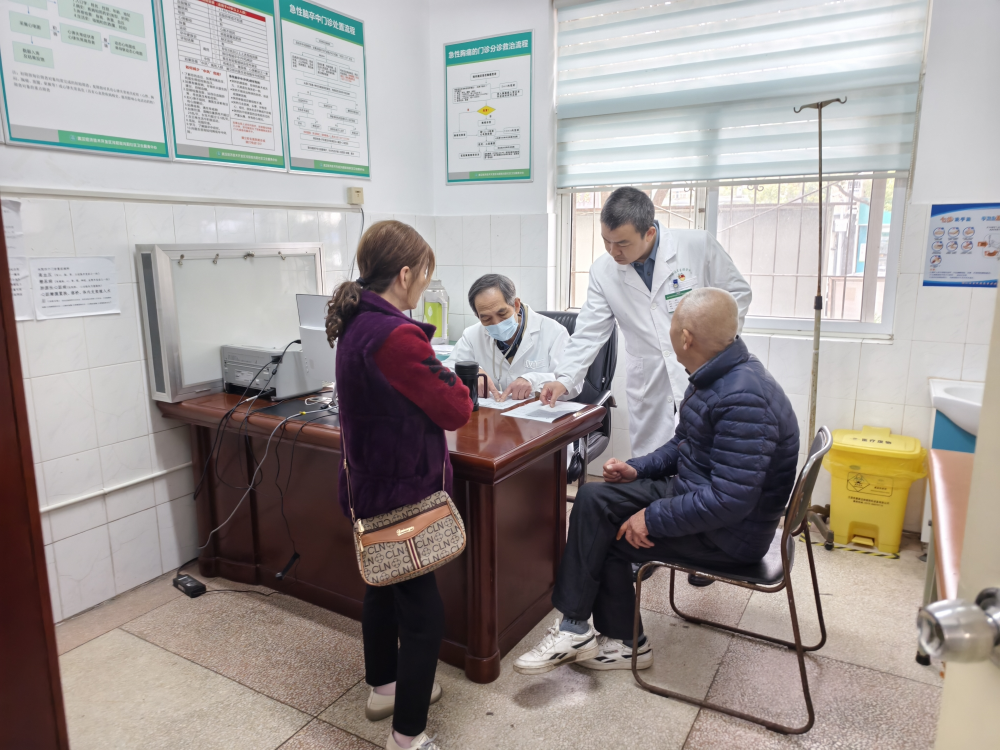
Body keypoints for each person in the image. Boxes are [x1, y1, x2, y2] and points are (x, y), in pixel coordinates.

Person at [514, 288, 799, 675]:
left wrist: (652, 518)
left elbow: (731, 499)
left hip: (732, 535)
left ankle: (624, 644)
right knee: (596, 497)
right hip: (702, 496)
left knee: (610, 531)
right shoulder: (719, 373)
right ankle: (575, 627)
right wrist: (638, 469)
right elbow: (685, 443)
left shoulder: (743, 398)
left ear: (685, 338)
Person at [327, 220, 472, 750]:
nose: (424, 287)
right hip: (403, 496)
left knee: (381, 587)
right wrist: (449, 374)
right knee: (423, 615)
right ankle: (407, 737)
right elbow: (456, 408)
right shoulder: (397, 335)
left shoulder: (355, 323)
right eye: (424, 277)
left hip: (367, 487)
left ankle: (383, 687)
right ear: (406, 273)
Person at [540, 187, 752, 458]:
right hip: (649, 380)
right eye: (606, 241)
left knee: (706, 460)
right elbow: (589, 332)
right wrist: (565, 378)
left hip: (705, 369)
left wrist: (716, 347)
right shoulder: (603, 271)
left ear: (649, 232)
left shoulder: (697, 246)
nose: (613, 251)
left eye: (623, 243)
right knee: (653, 464)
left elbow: (738, 294)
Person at [444, 273, 570, 401]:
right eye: (486, 318)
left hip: (541, 414)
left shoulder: (553, 331)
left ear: (516, 305)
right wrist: (471, 373)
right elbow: (444, 372)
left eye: (502, 313)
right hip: (493, 415)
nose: (497, 323)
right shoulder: (472, 335)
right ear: (478, 316)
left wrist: (533, 381)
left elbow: (572, 382)